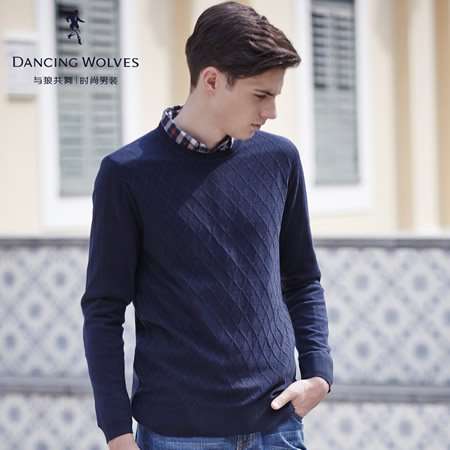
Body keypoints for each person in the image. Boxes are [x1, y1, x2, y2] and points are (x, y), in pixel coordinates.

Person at [80, 2, 333, 449]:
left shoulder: (279, 160)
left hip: (277, 427)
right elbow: (104, 309)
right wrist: (117, 432)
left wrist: (318, 373)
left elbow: (301, 279)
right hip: (179, 436)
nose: (272, 111)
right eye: (261, 95)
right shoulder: (127, 174)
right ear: (212, 80)